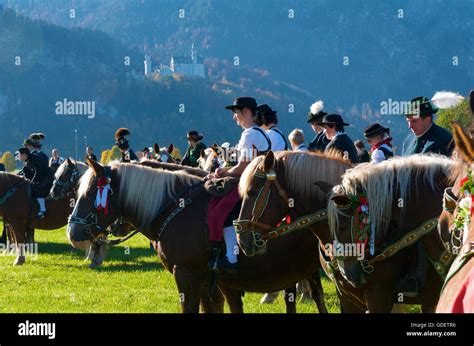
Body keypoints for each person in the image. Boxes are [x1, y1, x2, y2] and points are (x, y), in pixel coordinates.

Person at [206, 97, 271, 270]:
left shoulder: (249, 134)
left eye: (236, 113)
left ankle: (230, 257)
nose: (234, 117)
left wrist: (222, 172)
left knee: (223, 211)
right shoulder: (260, 132)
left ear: (246, 112)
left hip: (251, 183)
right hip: (258, 181)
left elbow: (244, 167)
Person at [399, 96, 454, 298]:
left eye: (414, 121)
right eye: (407, 121)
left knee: (423, 230)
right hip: (407, 200)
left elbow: (449, 177)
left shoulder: (444, 139)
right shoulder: (408, 140)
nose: (410, 125)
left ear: (428, 119)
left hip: (434, 204)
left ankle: (417, 279)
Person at [16, 146, 50, 219]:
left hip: (45, 178)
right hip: (38, 179)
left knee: (36, 190)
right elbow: (26, 173)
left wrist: (31, 182)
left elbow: (39, 172)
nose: (19, 157)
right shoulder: (27, 162)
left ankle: (43, 210)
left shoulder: (35, 159)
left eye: (19, 155)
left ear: (24, 155)